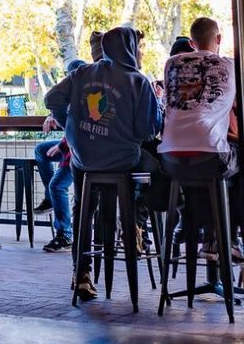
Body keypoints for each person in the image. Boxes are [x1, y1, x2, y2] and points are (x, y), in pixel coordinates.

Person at [45, 27, 163, 302]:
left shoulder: (82, 73)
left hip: (83, 160)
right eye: (139, 48)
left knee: (82, 209)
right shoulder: (138, 81)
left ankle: (82, 272)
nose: (141, 53)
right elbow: (148, 131)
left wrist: (71, 125)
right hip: (122, 162)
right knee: (158, 168)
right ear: (130, 49)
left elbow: (52, 99)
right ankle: (133, 220)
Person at [159, 17, 241, 261]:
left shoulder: (171, 63)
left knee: (201, 175)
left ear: (192, 43)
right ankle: (227, 240)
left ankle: (209, 238)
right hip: (211, 158)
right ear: (218, 39)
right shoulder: (231, 66)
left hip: (170, 159)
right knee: (232, 162)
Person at [34, 59, 89, 253]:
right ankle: (50, 198)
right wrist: (52, 117)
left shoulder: (80, 95)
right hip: (73, 147)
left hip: (78, 151)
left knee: (58, 185)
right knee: (41, 150)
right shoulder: (81, 94)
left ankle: (65, 234)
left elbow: (79, 128)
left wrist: (62, 144)